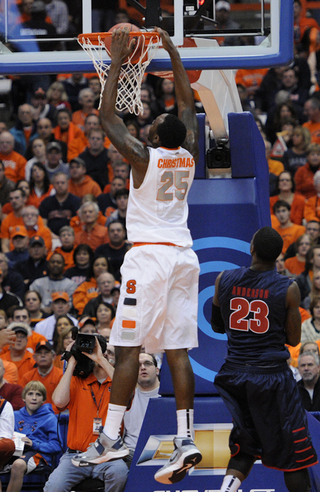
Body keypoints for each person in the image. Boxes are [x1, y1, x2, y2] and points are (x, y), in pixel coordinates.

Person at [71, 27, 202, 485]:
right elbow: (187, 106)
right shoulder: (188, 153)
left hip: (148, 259)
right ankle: (187, 438)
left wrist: (119, 64)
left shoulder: (143, 158)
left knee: (126, 348)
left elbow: (107, 119)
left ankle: (110, 438)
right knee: (178, 351)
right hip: (185, 256)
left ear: (153, 134)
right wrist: (170, 52)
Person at [211, 226, 317, 492]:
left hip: (234, 374)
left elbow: (216, 326)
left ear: (252, 249)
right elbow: (293, 340)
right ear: (279, 255)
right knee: (295, 458)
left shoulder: (224, 278)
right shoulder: (288, 288)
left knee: (245, 444)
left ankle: (226, 489)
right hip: (271, 378)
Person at [44, 335, 128, 492]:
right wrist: (72, 363)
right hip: (76, 456)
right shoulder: (77, 379)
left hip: (108, 456)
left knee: (120, 474)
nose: (103, 354)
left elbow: (127, 392)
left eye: (109, 352)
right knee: (53, 487)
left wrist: (101, 359)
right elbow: (59, 402)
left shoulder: (116, 381)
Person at [7, 380, 60, 492]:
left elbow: (56, 446)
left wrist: (33, 444)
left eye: (38, 394)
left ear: (44, 399)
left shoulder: (50, 418)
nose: (34, 398)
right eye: (30, 394)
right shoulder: (14, 415)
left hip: (37, 453)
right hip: (14, 451)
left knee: (18, 465)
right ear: (23, 398)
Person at [123, 352, 160, 465]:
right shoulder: (125, 397)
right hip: (129, 453)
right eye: (138, 365)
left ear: (157, 370)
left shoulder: (170, 397)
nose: (143, 367)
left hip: (161, 452)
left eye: (148, 363)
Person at [20, 341, 63, 408]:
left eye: (46, 353)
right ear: (34, 357)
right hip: (32, 414)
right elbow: (22, 400)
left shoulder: (61, 376)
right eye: (39, 353)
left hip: (55, 415)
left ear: (53, 356)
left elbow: (62, 401)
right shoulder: (27, 377)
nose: (42, 355)